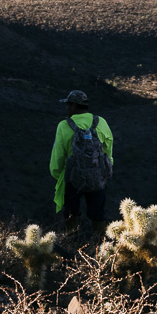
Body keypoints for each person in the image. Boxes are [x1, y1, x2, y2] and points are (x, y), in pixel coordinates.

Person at [49, 89, 114, 226]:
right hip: (97, 177)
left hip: (73, 178)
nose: (66, 108)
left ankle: (72, 244)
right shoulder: (101, 122)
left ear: (73, 106)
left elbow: (58, 157)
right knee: (98, 216)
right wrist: (104, 170)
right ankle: (99, 244)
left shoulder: (64, 126)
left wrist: (58, 175)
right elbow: (108, 150)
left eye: (68, 105)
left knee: (72, 215)